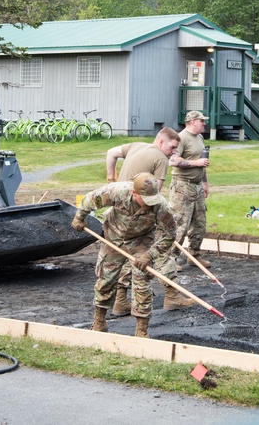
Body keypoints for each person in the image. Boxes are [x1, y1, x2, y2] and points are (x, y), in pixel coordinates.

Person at [70, 173, 175, 338]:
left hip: (141, 242)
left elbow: (169, 236)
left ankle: (141, 331)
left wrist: (149, 255)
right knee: (106, 279)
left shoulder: (161, 206)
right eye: (145, 200)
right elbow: (90, 200)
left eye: (152, 200)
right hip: (114, 237)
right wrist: (79, 218)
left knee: (142, 282)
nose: (149, 205)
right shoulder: (117, 192)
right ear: (135, 193)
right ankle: (99, 322)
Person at [105, 128, 194, 316]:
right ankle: (172, 297)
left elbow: (111, 153)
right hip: (141, 214)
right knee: (161, 252)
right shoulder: (161, 159)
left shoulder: (136, 146)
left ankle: (120, 302)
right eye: (172, 147)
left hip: (120, 212)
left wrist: (111, 179)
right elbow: (155, 196)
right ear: (161, 142)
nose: (173, 152)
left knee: (127, 256)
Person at [168, 110, 211, 268]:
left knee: (199, 223)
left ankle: (194, 255)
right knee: (180, 224)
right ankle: (171, 259)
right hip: (182, 186)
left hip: (197, 185)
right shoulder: (181, 138)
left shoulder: (199, 137)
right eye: (202, 121)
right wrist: (196, 164)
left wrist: (205, 182)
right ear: (193, 121)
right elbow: (173, 160)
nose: (204, 123)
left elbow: (203, 162)